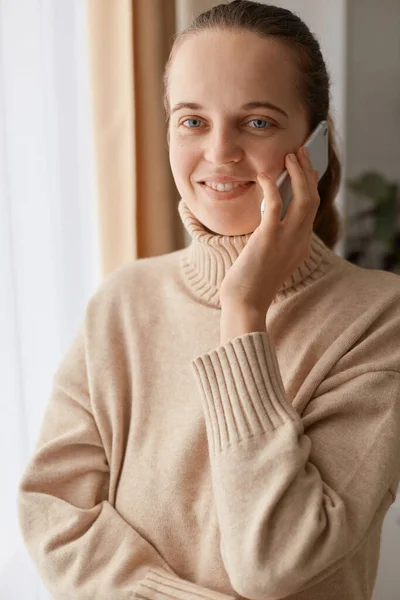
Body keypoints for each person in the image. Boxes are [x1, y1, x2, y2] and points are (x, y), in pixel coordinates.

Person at [17, 1, 400, 599]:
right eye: (192, 121)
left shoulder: (380, 317)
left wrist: (244, 309)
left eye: (257, 122)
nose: (219, 153)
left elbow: (274, 562)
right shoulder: (123, 300)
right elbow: (54, 511)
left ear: (315, 141)